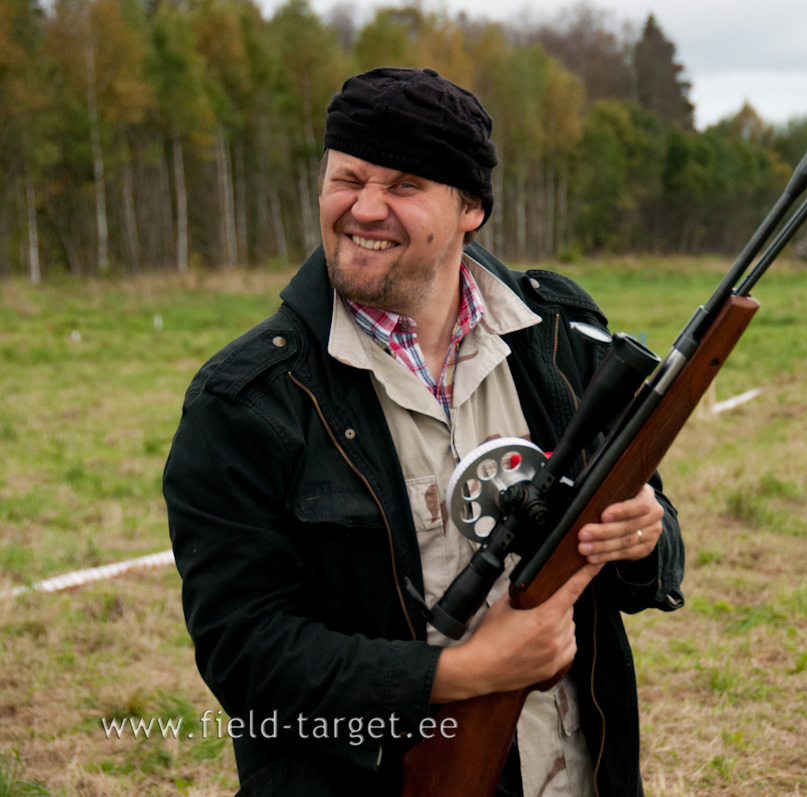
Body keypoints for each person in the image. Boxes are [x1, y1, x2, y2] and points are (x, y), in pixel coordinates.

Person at [163, 67, 685, 796]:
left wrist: (644, 535)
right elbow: (244, 652)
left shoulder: (560, 337)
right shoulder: (245, 400)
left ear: (471, 207)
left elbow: (651, 546)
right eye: (348, 178)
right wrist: (460, 673)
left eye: (404, 185)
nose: (365, 208)